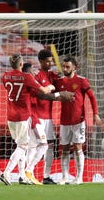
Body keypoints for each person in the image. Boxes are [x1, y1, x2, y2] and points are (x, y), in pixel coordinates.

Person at [0, 54, 52, 185]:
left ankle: (21, 175)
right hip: (23, 116)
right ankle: (6, 173)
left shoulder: (5, 76)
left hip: (10, 116)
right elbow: (43, 90)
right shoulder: (26, 77)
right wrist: (50, 87)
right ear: (21, 64)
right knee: (23, 146)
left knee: (20, 146)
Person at [54, 56, 103, 185]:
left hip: (79, 121)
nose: (64, 69)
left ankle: (79, 177)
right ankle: (65, 177)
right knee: (64, 149)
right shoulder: (59, 81)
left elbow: (92, 97)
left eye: (67, 67)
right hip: (64, 121)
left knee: (78, 147)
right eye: (63, 66)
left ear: (74, 67)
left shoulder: (82, 81)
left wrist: (95, 114)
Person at [31, 49, 74, 184]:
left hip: (48, 118)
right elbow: (41, 95)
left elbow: (63, 83)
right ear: (41, 61)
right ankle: (28, 173)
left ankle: (46, 176)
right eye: (47, 61)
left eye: (51, 61)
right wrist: (59, 97)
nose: (50, 63)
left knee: (50, 145)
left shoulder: (53, 75)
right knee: (33, 146)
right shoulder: (36, 75)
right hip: (36, 116)